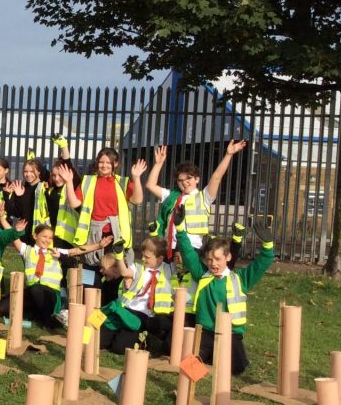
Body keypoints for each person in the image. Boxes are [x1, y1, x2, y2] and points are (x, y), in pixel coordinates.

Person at [175, 208, 275, 375]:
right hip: (205, 331)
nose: (213, 263)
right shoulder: (202, 275)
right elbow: (188, 254)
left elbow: (260, 265)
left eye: (217, 259)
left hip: (230, 333)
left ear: (228, 258)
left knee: (236, 368)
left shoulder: (240, 279)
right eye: (209, 259)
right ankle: (206, 364)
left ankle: (226, 356)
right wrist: (180, 229)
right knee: (191, 365)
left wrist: (267, 246)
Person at [146, 140, 248, 262]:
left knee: (187, 280)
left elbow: (216, 177)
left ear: (197, 179)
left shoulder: (204, 197)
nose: (185, 182)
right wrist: (158, 164)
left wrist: (228, 154)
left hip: (191, 249)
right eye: (180, 180)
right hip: (169, 249)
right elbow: (150, 185)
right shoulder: (172, 196)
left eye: (188, 178)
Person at [66, 147, 147, 266]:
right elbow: (74, 203)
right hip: (94, 235)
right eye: (101, 162)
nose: (104, 165)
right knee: (95, 269)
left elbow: (138, 199)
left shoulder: (122, 182)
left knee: (115, 270)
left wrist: (136, 178)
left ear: (115, 164)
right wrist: (68, 182)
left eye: (108, 162)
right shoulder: (87, 181)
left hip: (117, 235)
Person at [97, 237, 175, 354]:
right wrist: (119, 254)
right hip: (126, 308)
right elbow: (124, 272)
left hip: (144, 315)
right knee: (99, 342)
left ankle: (144, 339)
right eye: (143, 255)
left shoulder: (169, 269)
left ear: (160, 258)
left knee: (119, 348)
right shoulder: (138, 266)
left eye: (147, 257)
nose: (143, 258)